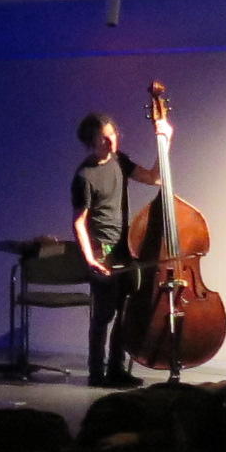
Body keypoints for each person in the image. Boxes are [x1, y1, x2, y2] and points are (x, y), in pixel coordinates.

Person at [69, 112, 158, 388]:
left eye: (113, 136)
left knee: (124, 311)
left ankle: (117, 369)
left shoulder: (120, 161)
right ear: (91, 142)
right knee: (104, 314)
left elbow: (154, 178)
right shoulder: (84, 176)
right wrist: (90, 259)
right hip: (103, 250)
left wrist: (164, 141)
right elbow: (79, 222)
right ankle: (96, 373)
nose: (111, 142)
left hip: (124, 247)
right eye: (103, 139)